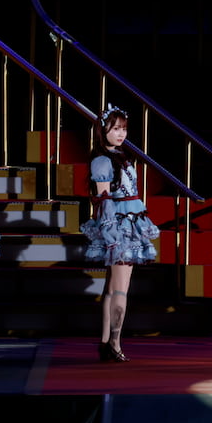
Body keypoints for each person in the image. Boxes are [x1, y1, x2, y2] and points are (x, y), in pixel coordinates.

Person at [80, 104, 159, 362]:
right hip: (119, 226)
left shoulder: (119, 156)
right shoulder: (103, 160)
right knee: (119, 289)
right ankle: (113, 342)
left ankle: (108, 342)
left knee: (113, 288)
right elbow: (103, 200)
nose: (121, 133)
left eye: (123, 128)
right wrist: (111, 235)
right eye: (115, 129)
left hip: (128, 221)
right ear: (103, 130)